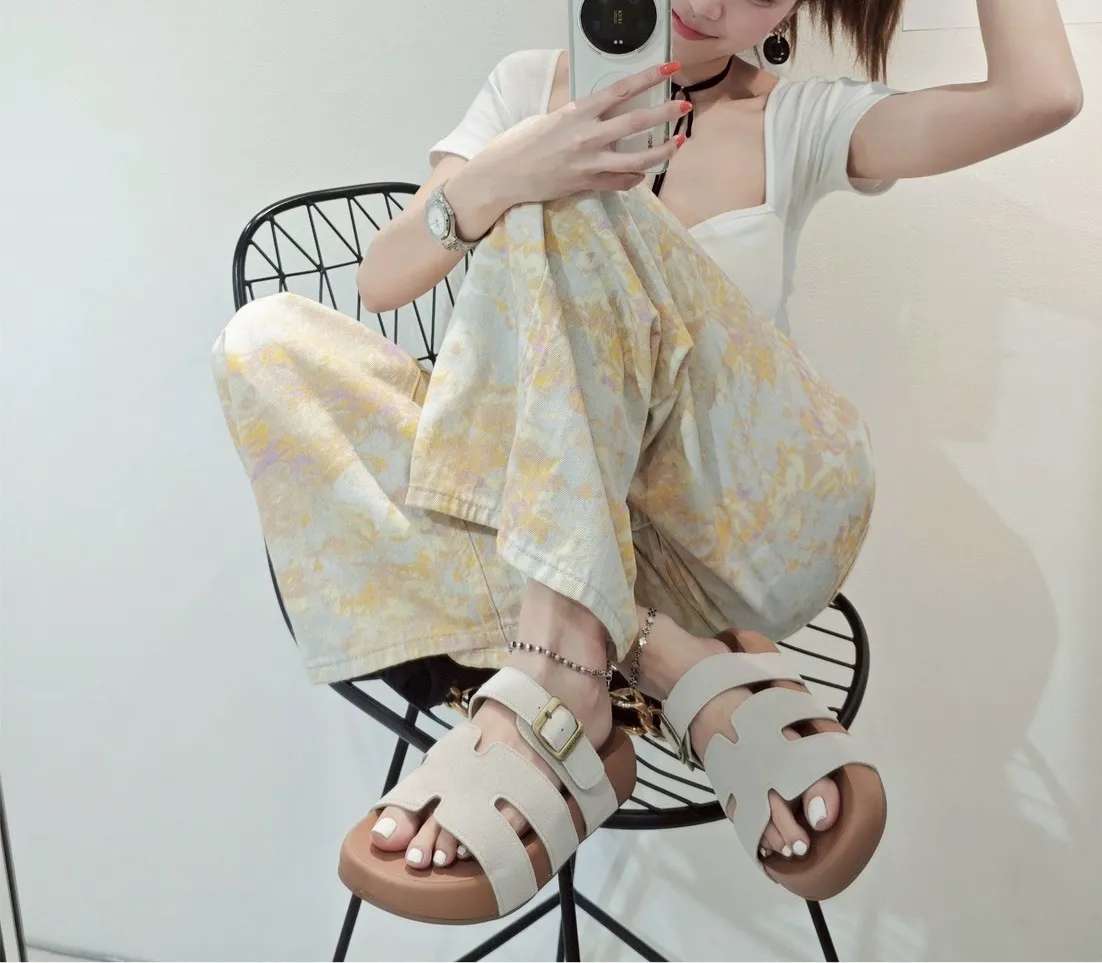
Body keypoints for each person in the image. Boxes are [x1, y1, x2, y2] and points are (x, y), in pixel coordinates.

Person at [214, 0, 1081, 924]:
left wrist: (562, 185)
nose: (708, 3)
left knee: (586, 198)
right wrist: (509, 170)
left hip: (729, 528)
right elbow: (381, 280)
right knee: (261, 345)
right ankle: (659, 653)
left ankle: (562, 671)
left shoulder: (800, 120)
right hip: (549, 503)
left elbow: (1041, 96)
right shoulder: (526, 87)